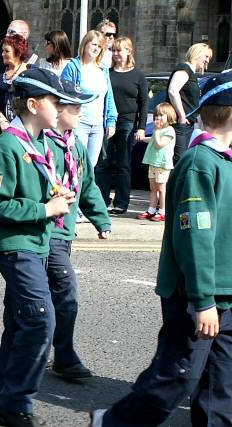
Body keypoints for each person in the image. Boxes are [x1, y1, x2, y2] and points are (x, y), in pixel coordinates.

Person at [90, 68, 232, 427]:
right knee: (177, 376)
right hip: (197, 296)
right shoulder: (200, 163)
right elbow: (195, 239)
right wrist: (203, 300)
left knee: (222, 386)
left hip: (226, 294)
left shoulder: (224, 162)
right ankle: (112, 423)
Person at [0, 68, 78, 426]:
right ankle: (17, 402)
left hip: (36, 239)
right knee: (40, 321)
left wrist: (55, 195)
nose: (61, 108)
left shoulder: (36, 144)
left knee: (21, 323)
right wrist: (45, 209)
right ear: (33, 104)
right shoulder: (8, 145)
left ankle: (4, 403)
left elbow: (31, 189)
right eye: (56, 102)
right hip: (14, 242)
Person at [44, 80, 111, 383]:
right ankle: (63, 355)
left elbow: (87, 186)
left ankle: (33, 348)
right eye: (76, 107)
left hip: (64, 233)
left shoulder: (76, 146)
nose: (82, 112)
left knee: (42, 296)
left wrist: (101, 219)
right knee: (63, 293)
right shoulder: (40, 144)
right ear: (58, 109)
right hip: (45, 232)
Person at [95, 36, 148, 214]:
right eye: (114, 50)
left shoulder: (138, 75)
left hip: (128, 121)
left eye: (120, 50)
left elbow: (143, 103)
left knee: (123, 164)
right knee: (104, 162)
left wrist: (141, 127)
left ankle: (121, 202)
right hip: (108, 121)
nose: (116, 53)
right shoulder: (106, 73)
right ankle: (102, 199)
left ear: (128, 52)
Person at [61, 30, 117, 167]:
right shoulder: (73, 67)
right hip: (79, 123)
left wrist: (111, 121)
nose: (96, 48)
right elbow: (64, 95)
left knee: (90, 166)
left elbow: (108, 97)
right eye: (93, 44)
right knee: (76, 163)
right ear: (85, 45)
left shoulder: (103, 70)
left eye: (99, 46)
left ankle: (84, 189)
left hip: (98, 125)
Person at [166, 42, 212, 164]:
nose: (207, 61)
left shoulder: (190, 73)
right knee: (178, 161)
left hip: (185, 124)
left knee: (181, 160)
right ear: (197, 54)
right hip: (178, 124)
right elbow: (173, 91)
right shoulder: (184, 69)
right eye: (206, 56)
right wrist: (181, 115)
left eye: (209, 58)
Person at [136, 102, 177, 222]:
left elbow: (159, 144)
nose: (158, 118)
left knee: (161, 188)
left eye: (161, 115)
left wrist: (157, 131)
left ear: (169, 116)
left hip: (162, 164)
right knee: (153, 188)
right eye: (156, 116)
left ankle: (163, 211)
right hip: (153, 162)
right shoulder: (158, 131)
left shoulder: (169, 131)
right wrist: (143, 139)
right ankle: (151, 209)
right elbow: (153, 140)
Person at [0, 34, 29, 137]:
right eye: (3, 51)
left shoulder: (30, 71)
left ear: (18, 52)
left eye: (7, 51)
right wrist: (1, 120)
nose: (2, 54)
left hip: (23, 129)